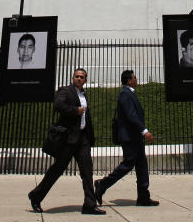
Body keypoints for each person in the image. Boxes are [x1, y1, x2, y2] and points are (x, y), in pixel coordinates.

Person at [29, 68, 104, 215]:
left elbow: (85, 116)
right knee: (57, 170)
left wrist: (89, 135)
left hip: (82, 139)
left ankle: (89, 204)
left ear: (85, 80)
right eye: (77, 76)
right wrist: (75, 111)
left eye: (82, 77)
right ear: (72, 78)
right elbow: (58, 106)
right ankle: (36, 195)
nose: (79, 79)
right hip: (68, 139)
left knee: (87, 172)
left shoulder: (84, 95)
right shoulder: (65, 91)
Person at [93, 69, 158, 207]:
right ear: (129, 80)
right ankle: (102, 184)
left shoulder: (128, 93)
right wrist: (144, 131)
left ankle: (143, 196)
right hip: (130, 137)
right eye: (135, 78)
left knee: (141, 166)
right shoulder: (125, 94)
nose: (137, 80)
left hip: (134, 137)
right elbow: (131, 115)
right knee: (128, 164)